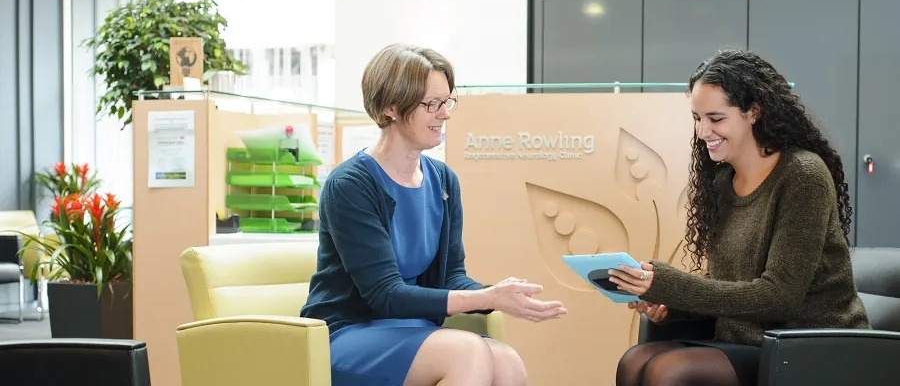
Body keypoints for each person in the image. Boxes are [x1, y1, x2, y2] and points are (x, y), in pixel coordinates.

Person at [300, 44, 568, 386]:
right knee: (467, 352)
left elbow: (451, 277)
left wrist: (499, 293)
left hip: (410, 329)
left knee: (506, 361)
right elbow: (386, 295)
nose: (445, 114)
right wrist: (485, 298)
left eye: (448, 101)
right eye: (432, 104)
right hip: (349, 332)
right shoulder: (350, 184)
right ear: (391, 107)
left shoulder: (443, 179)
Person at [608, 49, 870, 386]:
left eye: (715, 118)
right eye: (697, 118)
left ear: (754, 112)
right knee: (634, 361)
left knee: (669, 372)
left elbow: (779, 297)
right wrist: (669, 303)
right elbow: (731, 285)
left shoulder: (803, 175)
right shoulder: (722, 182)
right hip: (745, 340)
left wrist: (670, 284)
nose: (703, 131)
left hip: (807, 344)